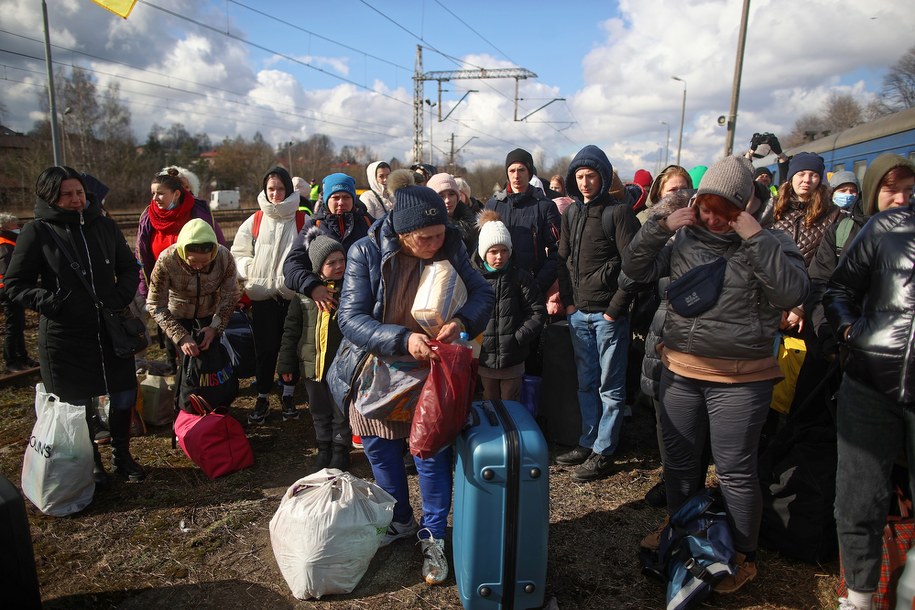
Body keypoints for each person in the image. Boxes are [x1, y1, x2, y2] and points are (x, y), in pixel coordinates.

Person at [623, 156, 809, 594]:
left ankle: (742, 554)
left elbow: (793, 292)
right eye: (706, 207)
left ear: (744, 205)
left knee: (735, 470)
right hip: (681, 371)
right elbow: (633, 271)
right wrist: (659, 228)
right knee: (680, 462)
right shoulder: (685, 236)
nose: (712, 218)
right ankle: (684, 528)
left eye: (724, 210)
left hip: (742, 380)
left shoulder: (772, 239)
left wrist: (756, 239)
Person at [328, 184, 493, 586]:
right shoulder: (366, 251)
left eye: (440, 234)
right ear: (402, 233)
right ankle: (399, 519)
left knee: (430, 453)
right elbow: (349, 318)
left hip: (429, 371)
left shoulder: (450, 244)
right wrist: (403, 339)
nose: (435, 244)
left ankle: (433, 533)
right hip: (376, 368)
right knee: (381, 451)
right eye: (426, 238)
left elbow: (483, 292)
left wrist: (464, 321)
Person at [5, 166, 147, 483]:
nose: (76, 199)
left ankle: (122, 456)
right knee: (79, 405)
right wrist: (54, 303)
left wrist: (120, 295)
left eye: (79, 192)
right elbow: (15, 284)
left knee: (124, 394)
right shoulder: (37, 232)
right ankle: (91, 461)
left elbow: (129, 267)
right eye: (67, 194)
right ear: (50, 197)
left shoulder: (104, 226)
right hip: (66, 335)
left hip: (111, 329)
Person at [823, 155, 915, 610]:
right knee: (859, 499)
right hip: (869, 382)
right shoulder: (877, 231)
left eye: (909, 189)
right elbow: (838, 290)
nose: (900, 199)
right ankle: (858, 597)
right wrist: (851, 334)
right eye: (890, 189)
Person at [553, 145, 642, 482]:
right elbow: (562, 261)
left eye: (591, 175)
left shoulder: (618, 214)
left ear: (603, 177)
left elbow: (633, 267)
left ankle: (604, 450)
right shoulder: (571, 214)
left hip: (608, 317)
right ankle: (588, 441)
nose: (586, 182)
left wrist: (615, 310)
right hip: (579, 316)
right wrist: (569, 303)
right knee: (586, 384)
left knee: (611, 388)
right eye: (580, 176)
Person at [231, 166, 303, 424]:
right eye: (271, 188)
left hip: (290, 296)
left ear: (289, 190)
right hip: (261, 296)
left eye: (280, 188)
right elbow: (238, 253)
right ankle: (262, 394)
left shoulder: (301, 220)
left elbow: (311, 254)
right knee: (264, 348)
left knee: (290, 348)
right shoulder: (256, 220)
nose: (275, 193)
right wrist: (250, 270)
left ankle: (288, 393)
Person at [136, 168, 226, 372]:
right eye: (153, 193)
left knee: (199, 340)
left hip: (199, 288)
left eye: (160, 193)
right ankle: (175, 374)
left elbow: (218, 247)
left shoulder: (197, 213)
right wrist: (144, 287)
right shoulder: (148, 217)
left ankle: (200, 379)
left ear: (176, 193)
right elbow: (141, 253)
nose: (155, 198)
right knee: (172, 336)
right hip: (166, 287)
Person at [278, 228, 350, 471]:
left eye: (342, 260)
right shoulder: (303, 297)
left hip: (339, 369)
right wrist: (286, 364)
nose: (339, 266)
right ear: (318, 267)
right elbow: (291, 332)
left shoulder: (350, 293)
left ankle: (340, 448)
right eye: (332, 262)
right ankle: (323, 447)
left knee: (340, 409)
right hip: (312, 367)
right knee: (318, 409)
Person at [146, 218, 240, 403]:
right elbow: (155, 304)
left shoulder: (224, 257)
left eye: (205, 263)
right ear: (182, 252)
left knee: (211, 359)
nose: (199, 266)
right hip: (177, 314)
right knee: (187, 361)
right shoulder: (167, 260)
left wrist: (215, 327)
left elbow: (230, 295)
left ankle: (214, 402)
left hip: (209, 314)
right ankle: (184, 405)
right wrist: (181, 336)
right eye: (193, 262)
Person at [473, 210, 547, 400]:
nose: (499, 257)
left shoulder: (519, 277)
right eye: (493, 251)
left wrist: (518, 338)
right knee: (489, 400)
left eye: (504, 251)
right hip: (485, 358)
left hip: (513, 358)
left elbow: (537, 311)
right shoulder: (474, 280)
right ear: (484, 253)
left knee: (511, 402)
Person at [485, 148, 561, 298]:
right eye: (512, 170)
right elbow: (481, 251)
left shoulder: (545, 206)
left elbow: (558, 251)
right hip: (499, 290)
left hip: (533, 290)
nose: (516, 175)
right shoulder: (493, 205)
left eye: (521, 170)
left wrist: (538, 285)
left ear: (529, 172)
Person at [0, 213, 35, 372]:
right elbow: (8, 270)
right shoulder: (5, 244)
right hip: (8, 290)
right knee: (13, 326)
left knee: (19, 324)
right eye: (14, 225)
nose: (18, 228)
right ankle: (11, 360)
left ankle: (22, 356)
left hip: (12, 289)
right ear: (5, 227)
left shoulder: (10, 241)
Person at [427, 172, 477, 254]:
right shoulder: (429, 230)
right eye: (441, 196)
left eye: (451, 194)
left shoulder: (472, 223)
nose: (447, 200)